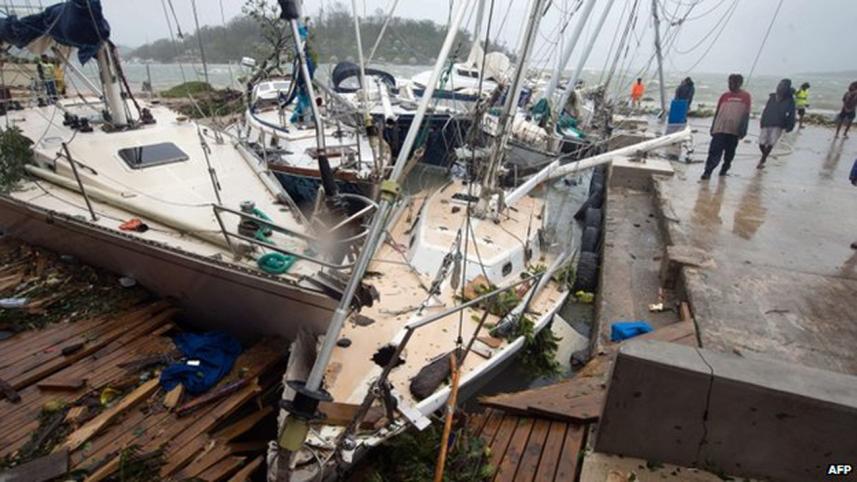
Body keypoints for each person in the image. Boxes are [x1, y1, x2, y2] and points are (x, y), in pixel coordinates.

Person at [701, 74, 751, 180]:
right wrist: (713, 126)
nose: (731, 85)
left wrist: (743, 130)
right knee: (714, 151)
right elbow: (718, 112)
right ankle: (708, 171)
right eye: (729, 82)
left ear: (739, 83)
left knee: (729, 152)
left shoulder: (746, 97)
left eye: (733, 83)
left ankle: (725, 168)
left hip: (734, 130)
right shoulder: (724, 96)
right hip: (720, 128)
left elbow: (746, 115)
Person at [757, 79, 796, 169]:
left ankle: (763, 159)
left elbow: (792, 114)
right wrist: (762, 121)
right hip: (767, 121)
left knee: (771, 143)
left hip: (779, 123)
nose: (780, 87)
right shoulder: (772, 97)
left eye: (783, 85)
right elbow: (766, 110)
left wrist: (790, 125)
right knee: (761, 143)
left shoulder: (790, 100)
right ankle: (765, 156)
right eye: (779, 84)